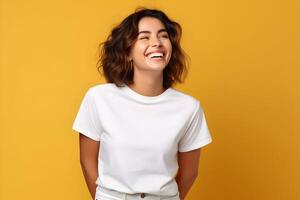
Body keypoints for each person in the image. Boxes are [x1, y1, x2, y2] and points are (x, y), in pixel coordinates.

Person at [72, 7, 212, 200]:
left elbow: (190, 173)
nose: (157, 43)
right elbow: (87, 162)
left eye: (163, 36)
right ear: (127, 51)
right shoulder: (99, 98)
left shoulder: (189, 108)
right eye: (145, 37)